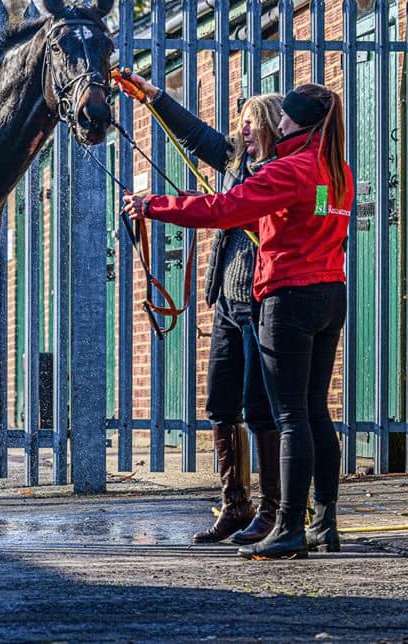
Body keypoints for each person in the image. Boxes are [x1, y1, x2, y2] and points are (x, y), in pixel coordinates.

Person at [123, 83, 352, 560]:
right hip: (330, 294)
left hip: (288, 297)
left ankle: (287, 524)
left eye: (284, 117)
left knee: (289, 418)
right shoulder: (337, 170)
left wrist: (154, 205)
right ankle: (323, 523)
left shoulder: (289, 169)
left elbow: (224, 209)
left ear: (295, 123)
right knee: (314, 413)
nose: (277, 123)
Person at [120, 73, 283, 546]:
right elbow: (193, 133)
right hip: (229, 305)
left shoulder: (273, 173)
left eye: (251, 120)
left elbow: (217, 209)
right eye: (242, 120)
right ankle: (236, 504)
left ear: (271, 123)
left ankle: (272, 510)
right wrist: (153, 97)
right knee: (219, 404)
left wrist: (158, 205)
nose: (243, 127)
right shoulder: (235, 160)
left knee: (261, 408)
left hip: (258, 302)